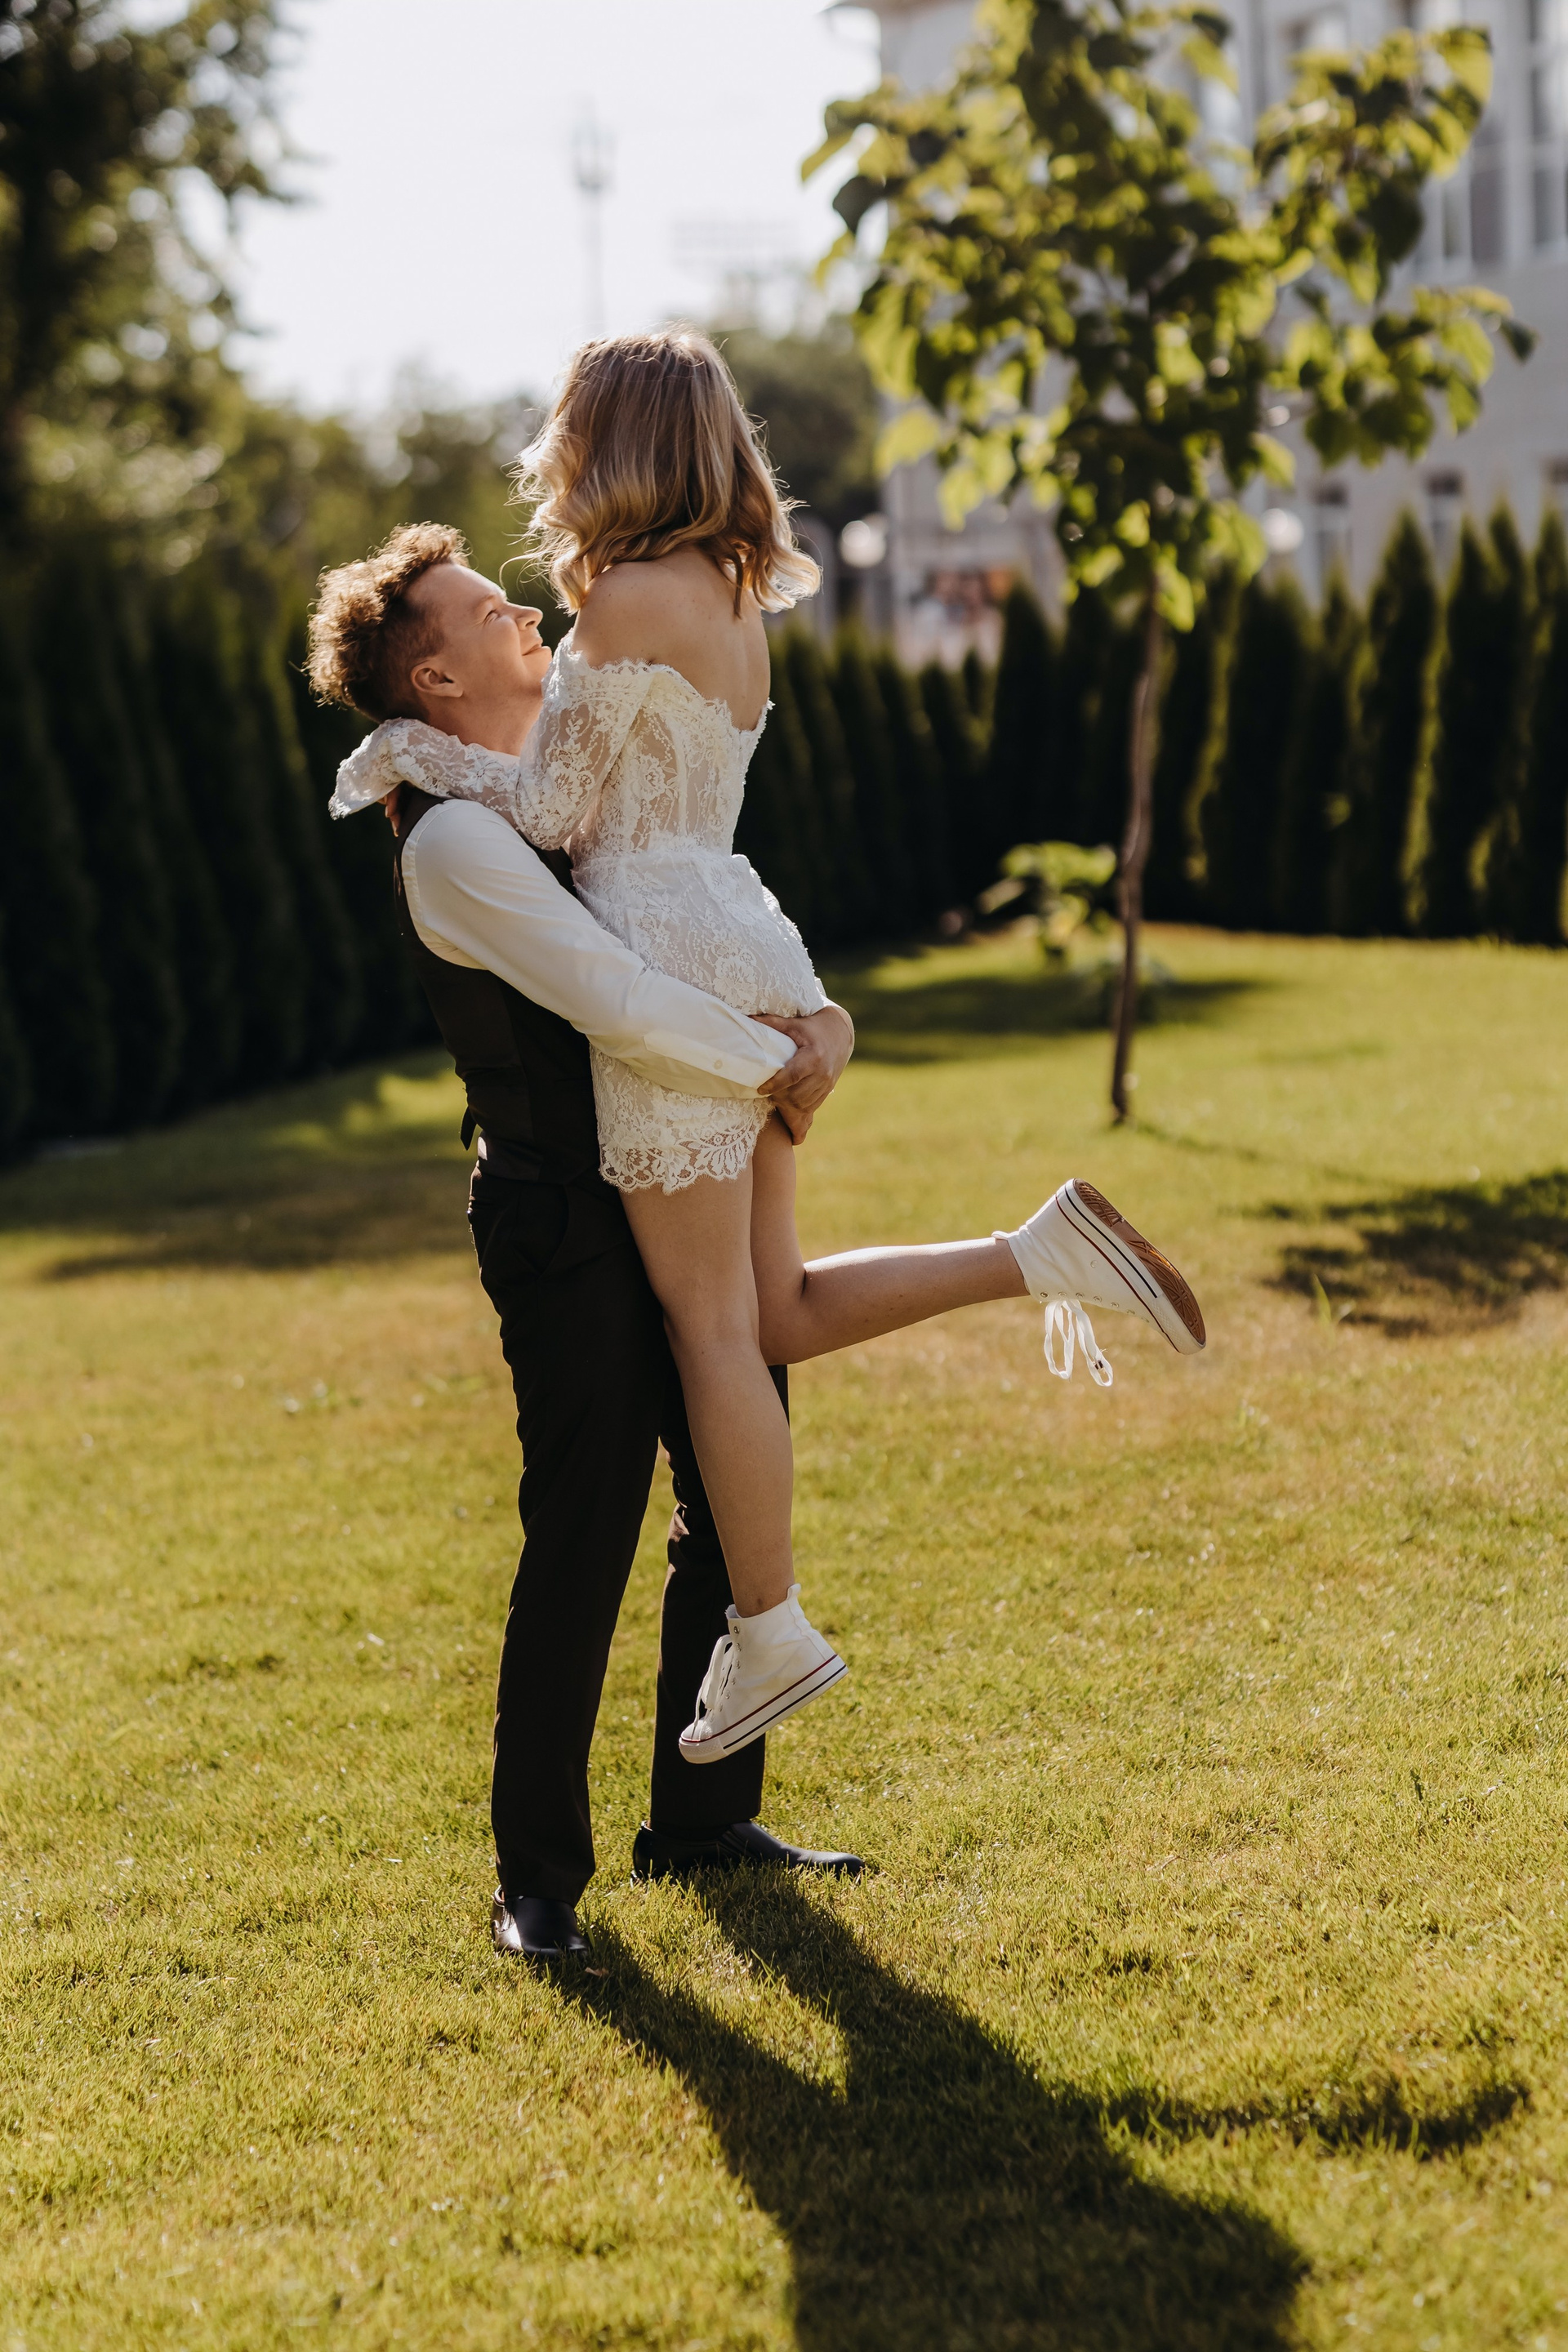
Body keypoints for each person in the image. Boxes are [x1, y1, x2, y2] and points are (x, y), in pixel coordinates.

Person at [338, 331, 1206, 1779]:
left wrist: (406, 752)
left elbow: (550, 813)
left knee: (715, 1334)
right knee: (778, 1311)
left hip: (670, 962)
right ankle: (1034, 1254)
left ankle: (772, 1622)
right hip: (743, 932)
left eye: (566, 433)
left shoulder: (622, 596)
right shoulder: (733, 590)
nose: (550, 460)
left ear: (613, 442)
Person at [310, 523, 864, 1965]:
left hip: (667, 1171)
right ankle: (537, 1878)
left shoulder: (547, 787)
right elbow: (615, 995)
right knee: (586, 1526)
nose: (524, 614)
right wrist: (777, 1062)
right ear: (436, 680)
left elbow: (696, 886)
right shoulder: (453, 841)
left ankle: (706, 1820)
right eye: (488, 610)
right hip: (561, 1215)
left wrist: (816, 1018)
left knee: (729, 1490)